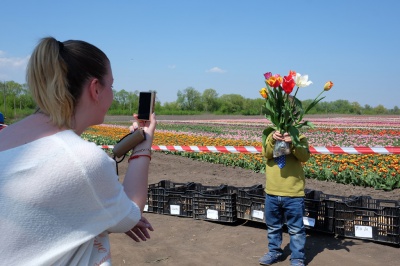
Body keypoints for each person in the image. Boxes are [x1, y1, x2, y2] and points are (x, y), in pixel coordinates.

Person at [0, 37, 156, 265]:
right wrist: (143, 145)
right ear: (95, 89)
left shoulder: (6, 136)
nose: (112, 94)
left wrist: (107, 215)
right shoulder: (81, 160)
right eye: (110, 86)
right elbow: (132, 212)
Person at [259, 131, 310, 266]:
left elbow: (304, 156)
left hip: (293, 193)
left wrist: (293, 141)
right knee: (273, 226)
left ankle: (297, 258)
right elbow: (266, 154)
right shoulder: (270, 135)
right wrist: (273, 140)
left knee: (296, 229)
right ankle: (274, 252)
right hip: (272, 191)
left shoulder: (300, 137)